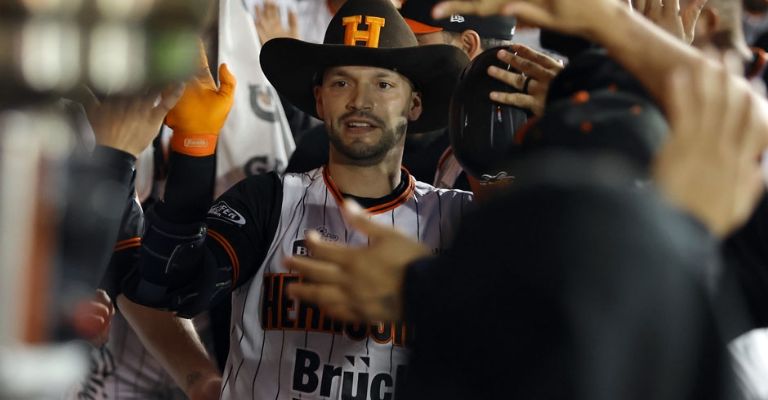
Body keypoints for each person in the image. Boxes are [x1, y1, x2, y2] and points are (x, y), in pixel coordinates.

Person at [121, 1, 472, 399]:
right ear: (320, 100)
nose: (360, 100)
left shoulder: (460, 216)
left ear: (414, 104)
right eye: (342, 82)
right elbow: (174, 289)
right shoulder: (267, 200)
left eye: (383, 83)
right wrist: (195, 147)